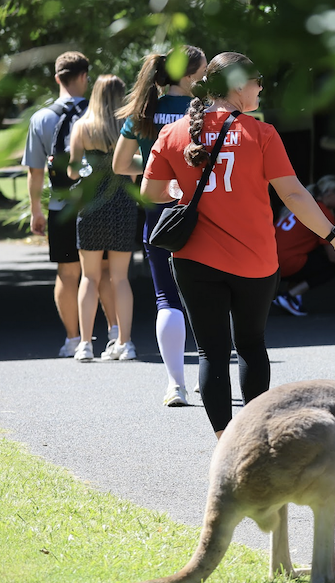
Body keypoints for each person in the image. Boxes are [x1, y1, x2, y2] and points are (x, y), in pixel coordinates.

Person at [141, 52, 335, 439]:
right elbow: (294, 195)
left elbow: (151, 192)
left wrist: (184, 189)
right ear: (238, 85)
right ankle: (256, 441)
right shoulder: (260, 133)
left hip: (193, 259)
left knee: (210, 352)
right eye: (257, 80)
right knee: (251, 346)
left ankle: (225, 443)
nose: (261, 87)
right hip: (254, 261)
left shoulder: (173, 133)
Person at [113, 46, 207, 405]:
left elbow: (121, 164)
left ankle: (175, 385)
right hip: (199, 209)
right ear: (187, 76)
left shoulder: (143, 112)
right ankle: (207, 373)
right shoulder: (202, 112)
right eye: (201, 71)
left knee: (166, 297)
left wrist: (155, 165)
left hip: (158, 214)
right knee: (204, 293)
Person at [21, 51, 117, 357]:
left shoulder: (41, 118)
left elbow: (35, 172)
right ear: (84, 77)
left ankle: (74, 339)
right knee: (101, 270)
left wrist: (36, 209)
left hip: (62, 206)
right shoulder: (100, 114)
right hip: (99, 204)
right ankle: (114, 333)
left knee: (67, 273)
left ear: (57, 78)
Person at [65, 74, 138, 361]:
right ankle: (125, 342)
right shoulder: (127, 126)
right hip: (122, 205)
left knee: (90, 277)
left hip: (91, 206)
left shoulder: (82, 127)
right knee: (120, 278)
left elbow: (71, 171)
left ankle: (84, 344)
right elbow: (133, 171)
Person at [273, 175, 335, 315]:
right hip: (286, 264)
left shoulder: (299, 204)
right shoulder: (322, 211)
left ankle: (291, 297)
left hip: (271, 262)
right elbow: (333, 257)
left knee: (311, 253)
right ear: (330, 193)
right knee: (332, 265)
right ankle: (289, 296)